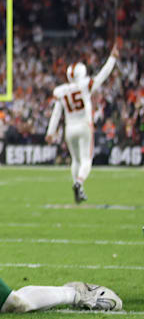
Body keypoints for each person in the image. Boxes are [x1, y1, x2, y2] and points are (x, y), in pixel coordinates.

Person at [45, 46, 118, 203]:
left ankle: (79, 190)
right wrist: (112, 58)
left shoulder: (62, 91)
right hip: (84, 125)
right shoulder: (85, 85)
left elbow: (56, 113)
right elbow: (102, 76)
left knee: (75, 161)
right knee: (86, 160)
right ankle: (79, 183)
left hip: (69, 128)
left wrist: (50, 132)